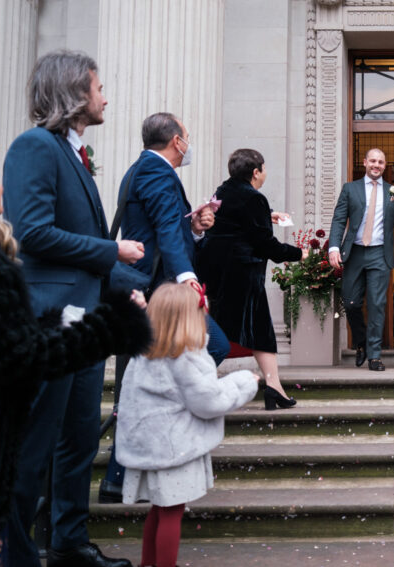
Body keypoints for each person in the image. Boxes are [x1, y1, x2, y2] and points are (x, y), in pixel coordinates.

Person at [3, 50, 144, 567]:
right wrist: (114, 251)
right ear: (74, 92)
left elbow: (79, 248)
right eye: (98, 87)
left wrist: (132, 284)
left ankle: (68, 542)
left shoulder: (73, 153)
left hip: (85, 325)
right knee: (33, 447)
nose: (105, 96)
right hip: (49, 325)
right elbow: (34, 234)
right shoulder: (33, 146)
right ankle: (16, 552)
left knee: (80, 440)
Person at [101, 113, 232, 502]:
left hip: (152, 286)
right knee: (213, 346)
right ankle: (158, 444)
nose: (188, 144)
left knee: (147, 377)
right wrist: (187, 278)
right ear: (176, 141)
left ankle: (119, 476)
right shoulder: (157, 172)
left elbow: (170, 230)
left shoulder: (141, 170)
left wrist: (195, 227)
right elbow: (162, 232)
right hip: (157, 291)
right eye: (187, 137)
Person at [116, 283, 259, 567]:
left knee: (158, 510)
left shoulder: (144, 351)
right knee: (171, 512)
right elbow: (208, 401)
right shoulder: (186, 355)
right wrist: (243, 382)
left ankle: (148, 563)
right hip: (176, 447)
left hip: (153, 444)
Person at [196, 148, 307, 410]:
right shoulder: (254, 198)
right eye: (264, 168)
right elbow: (264, 244)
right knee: (247, 332)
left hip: (220, 274)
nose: (266, 173)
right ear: (256, 172)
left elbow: (234, 221)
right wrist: (298, 253)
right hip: (244, 275)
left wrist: (268, 215)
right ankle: (196, 380)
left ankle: (274, 386)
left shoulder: (222, 191)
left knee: (253, 331)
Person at [328, 148, 394, 371]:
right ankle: (361, 342)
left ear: (385, 166)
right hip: (354, 252)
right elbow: (339, 219)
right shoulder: (350, 189)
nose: (377, 165)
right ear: (365, 162)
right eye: (373, 161)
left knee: (377, 304)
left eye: (381, 162)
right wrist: (333, 248)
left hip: (379, 254)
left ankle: (375, 355)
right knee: (350, 302)